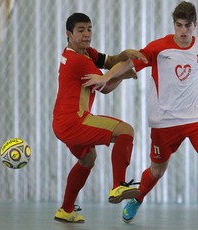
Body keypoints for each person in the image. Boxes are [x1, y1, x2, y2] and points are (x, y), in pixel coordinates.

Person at [82, 1, 198, 223]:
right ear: (174, 24)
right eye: (179, 25)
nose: (183, 31)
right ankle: (137, 200)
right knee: (156, 171)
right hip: (164, 122)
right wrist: (105, 77)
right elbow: (128, 64)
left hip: (197, 119)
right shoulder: (158, 47)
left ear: (196, 25)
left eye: (188, 26)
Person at [52, 13, 147, 223]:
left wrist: (124, 54)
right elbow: (107, 86)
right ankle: (118, 186)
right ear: (69, 34)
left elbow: (109, 61)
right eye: (80, 30)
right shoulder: (78, 60)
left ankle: (66, 210)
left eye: (89, 29)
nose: (87, 34)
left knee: (87, 159)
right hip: (74, 121)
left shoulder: (83, 52)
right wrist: (126, 72)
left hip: (62, 122)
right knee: (126, 131)